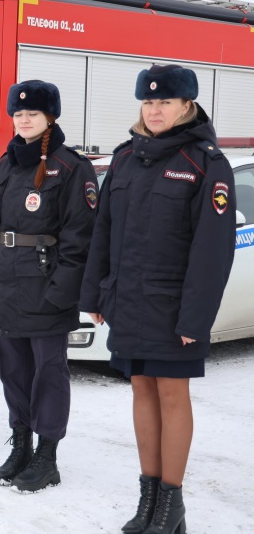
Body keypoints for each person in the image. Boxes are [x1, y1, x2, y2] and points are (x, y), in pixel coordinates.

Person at [80, 65, 235, 534]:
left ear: (186, 105)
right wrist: (95, 291)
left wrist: (196, 316)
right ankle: (149, 498)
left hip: (173, 304)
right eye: (149, 103)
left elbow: (212, 251)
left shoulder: (206, 163)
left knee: (171, 394)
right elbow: (102, 232)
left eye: (165, 102)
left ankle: (172, 506)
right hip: (128, 298)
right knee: (140, 389)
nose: (155, 110)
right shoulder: (126, 158)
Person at [0, 80, 97, 491]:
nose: (23, 120)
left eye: (32, 114)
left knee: (48, 373)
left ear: (50, 118)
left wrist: (62, 291)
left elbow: (81, 238)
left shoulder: (72, 167)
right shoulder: (5, 165)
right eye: (18, 114)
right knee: (13, 372)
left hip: (45, 287)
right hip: (4, 284)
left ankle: (47, 455)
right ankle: (21, 443)